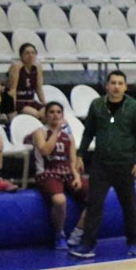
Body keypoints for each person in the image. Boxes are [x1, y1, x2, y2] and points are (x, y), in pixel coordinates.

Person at [70, 71, 136, 259]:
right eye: (113, 83)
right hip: (101, 164)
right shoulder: (97, 105)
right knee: (94, 205)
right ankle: (88, 244)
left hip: (125, 164)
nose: (116, 86)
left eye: (120, 83)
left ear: (125, 86)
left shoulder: (135, 108)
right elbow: (88, 132)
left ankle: (133, 242)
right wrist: (80, 155)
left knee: (129, 206)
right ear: (106, 86)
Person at [32, 101, 87, 250]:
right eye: (52, 112)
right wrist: (56, 131)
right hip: (47, 172)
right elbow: (45, 151)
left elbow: (72, 160)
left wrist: (76, 176)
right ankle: (59, 234)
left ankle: (78, 232)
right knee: (59, 199)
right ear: (46, 115)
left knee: (96, 197)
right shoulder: (40, 132)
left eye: (58, 112)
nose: (55, 115)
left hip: (67, 172)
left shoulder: (69, 136)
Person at [7, 42, 46, 119]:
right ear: (21, 55)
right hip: (19, 101)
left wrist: (44, 104)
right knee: (36, 114)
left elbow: (39, 88)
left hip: (31, 100)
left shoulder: (38, 66)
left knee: (47, 113)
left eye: (33, 53)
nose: (30, 55)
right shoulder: (16, 66)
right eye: (27, 53)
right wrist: (12, 108)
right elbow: (12, 90)